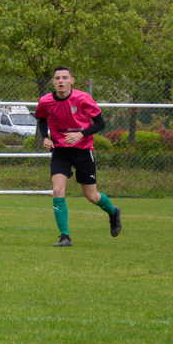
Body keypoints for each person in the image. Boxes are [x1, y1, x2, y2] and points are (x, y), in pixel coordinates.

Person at [35, 66, 120, 246]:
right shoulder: (45, 101)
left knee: (92, 196)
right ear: (52, 81)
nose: (61, 81)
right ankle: (65, 237)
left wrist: (81, 134)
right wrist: (45, 138)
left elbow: (100, 124)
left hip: (82, 150)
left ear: (72, 81)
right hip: (60, 151)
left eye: (65, 78)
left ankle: (113, 212)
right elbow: (42, 119)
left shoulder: (82, 98)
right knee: (58, 189)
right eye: (57, 78)